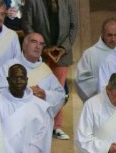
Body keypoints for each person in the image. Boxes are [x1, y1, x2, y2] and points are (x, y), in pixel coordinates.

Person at [20, 0, 77, 137]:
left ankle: (56, 127)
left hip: (61, 54)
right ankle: (38, 124)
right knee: (38, 88)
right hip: (40, 53)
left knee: (59, 90)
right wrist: (41, 47)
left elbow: (73, 27)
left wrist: (63, 49)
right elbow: (26, 24)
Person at [0, 33, 65, 122]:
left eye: (41, 44)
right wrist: (27, 92)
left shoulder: (45, 70)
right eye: (34, 42)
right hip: (13, 121)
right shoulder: (9, 66)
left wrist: (45, 94)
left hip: (37, 123)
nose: (38, 46)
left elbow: (60, 95)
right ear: (24, 45)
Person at [74, 17, 116, 102]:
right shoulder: (90, 54)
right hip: (100, 102)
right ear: (102, 34)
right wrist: (105, 86)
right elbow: (81, 79)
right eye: (109, 35)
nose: (113, 39)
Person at [0, 2, 21, 74]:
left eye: (2, 14)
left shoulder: (12, 36)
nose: (0, 17)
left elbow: (17, 63)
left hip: (5, 82)